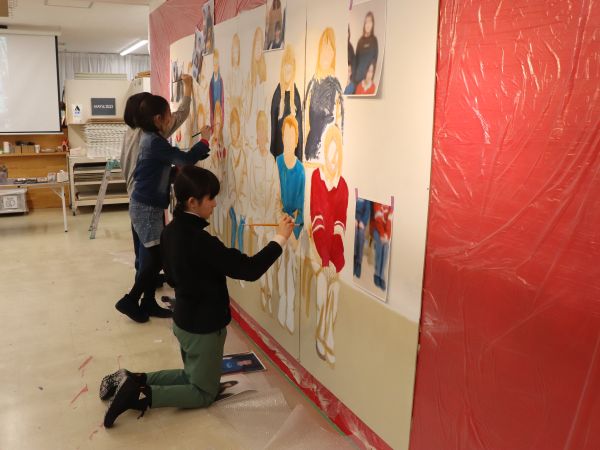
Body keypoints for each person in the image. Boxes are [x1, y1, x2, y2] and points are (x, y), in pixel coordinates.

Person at [100, 166, 295, 428]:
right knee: (203, 392)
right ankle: (141, 395)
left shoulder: (170, 231)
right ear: (193, 202)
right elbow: (248, 269)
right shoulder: (201, 242)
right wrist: (280, 238)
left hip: (183, 322)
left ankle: (133, 378)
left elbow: (170, 277)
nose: (214, 204)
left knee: (191, 376)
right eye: (210, 198)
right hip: (204, 329)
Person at [115, 94, 212, 323]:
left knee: (154, 259)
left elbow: (161, 170)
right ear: (158, 119)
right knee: (154, 259)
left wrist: (179, 170)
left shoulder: (152, 139)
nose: (171, 119)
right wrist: (204, 141)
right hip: (146, 208)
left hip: (148, 206)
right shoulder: (154, 142)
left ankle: (147, 303)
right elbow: (184, 160)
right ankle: (130, 300)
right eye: (169, 115)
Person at [120, 75, 194, 309]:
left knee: (145, 253)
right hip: (147, 201)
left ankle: (143, 296)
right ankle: (142, 300)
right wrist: (188, 89)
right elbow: (181, 117)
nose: (167, 118)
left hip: (136, 198)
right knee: (152, 255)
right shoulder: (149, 136)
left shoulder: (129, 134)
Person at [309, 125, 348, 364]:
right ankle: (319, 333)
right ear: (324, 153)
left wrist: (334, 262)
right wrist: (325, 260)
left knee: (336, 286)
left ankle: (328, 334)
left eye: (336, 156)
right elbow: (318, 222)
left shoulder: (342, 185)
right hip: (316, 247)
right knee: (323, 284)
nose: (332, 161)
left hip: (333, 250)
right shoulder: (317, 178)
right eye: (329, 155)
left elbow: (340, 227)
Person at [249, 111, 281, 312]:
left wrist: (271, 214)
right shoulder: (253, 158)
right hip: (257, 218)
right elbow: (251, 189)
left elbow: (275, 191)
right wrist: (255, 215)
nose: (262, 134)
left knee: (271, 255)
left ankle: (269, 292)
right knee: (260, 255)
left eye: (265, 130)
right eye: (259, 130)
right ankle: (263, 290)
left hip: (270, 219)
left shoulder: (271, 161)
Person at [276, 116, 305, 332]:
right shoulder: (277, 163)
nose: (288, 139)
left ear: (296, 140)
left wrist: (294, 231)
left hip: (295, 224)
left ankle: (290, 309)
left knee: (292, 266)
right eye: (285, 135)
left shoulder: (300, 169)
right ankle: (282, 305)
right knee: (280, 264)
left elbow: (301, 206)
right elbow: (275, 195)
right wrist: (281, 218)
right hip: (279, 221)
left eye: (292, 135)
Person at [304, 28, 344, 162]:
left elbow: (339, 126)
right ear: (319, 50)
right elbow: (306, 125)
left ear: (334, 54)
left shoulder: (336, 87)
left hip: (326, 157)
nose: (326, 53)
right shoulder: (312, 83)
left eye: (330, 49)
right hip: (309, 153)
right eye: (324, 47)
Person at [270, 45, 303, 161]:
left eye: (290, 66)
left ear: (293, 69)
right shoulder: (278, 94)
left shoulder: (296, 97)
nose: (288, 70)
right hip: (279, 154)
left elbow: (299, 133)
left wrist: (299, 159)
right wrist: (274, 156)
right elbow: (273, 127)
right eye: (286, 65)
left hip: (292, 157)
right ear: (282, 69)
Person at [225, 107, 247, 252]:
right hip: (232, 197)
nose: (234, 131)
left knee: (241, 228)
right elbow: (229, 176)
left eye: (236, 127)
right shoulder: (230, 150)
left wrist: (241, 195)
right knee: (234, 225)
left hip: (242, 198)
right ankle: (233, 254)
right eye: (232, 127)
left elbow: (244, 176)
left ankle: (240, 256)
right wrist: (233, 195)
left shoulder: (242, 152)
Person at [353, 11, 378, 86]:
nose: (368, 24)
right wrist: (353, 79)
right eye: (366, 22)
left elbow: (374, 62)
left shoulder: (374, 40)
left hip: (367, 82)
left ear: (372, 24)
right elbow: (355, 61)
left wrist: (369, 80)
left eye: (370, 22)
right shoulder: (360, 41)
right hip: (357, 80)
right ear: (364, 24)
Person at [370, 202, 392, 290]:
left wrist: (387, 235)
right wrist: (382, 234)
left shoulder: (392, 201)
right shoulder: (377, 202)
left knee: (386, 247)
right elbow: (378, 219)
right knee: (380, 245)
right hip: (376, 228)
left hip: (387, 231)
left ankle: (381, 275)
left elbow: (390, 220)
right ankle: (377, 273)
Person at [353, 198, 371, 278]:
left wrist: (363, 222)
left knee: (361, 234)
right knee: (355, 233)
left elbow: (367, 211)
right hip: (353, 219)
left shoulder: (367, 200)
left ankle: (358, 262)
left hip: (362, 221)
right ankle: (354, 259)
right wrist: (353, 218)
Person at [209, 49, 224, 129]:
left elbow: (222, 100)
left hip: (219, 113)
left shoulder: (220, 81)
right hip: (213, 112)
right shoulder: (211, 82)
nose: (215, 65)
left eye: (216, 63)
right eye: (214, 63)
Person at [344, 26, 356, 95]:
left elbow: (353, 63)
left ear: (349, 33)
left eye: (347, 32)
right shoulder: (339, 45)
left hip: (349, 74)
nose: (346, 34)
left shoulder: (351, 47)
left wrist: (351, 75)